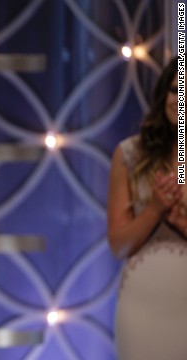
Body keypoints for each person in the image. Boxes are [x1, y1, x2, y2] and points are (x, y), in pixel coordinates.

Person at [107, 56, 187, 359]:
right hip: (141, 310)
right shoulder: (131, 154)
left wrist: (181, 223)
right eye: (175, 90)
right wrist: (154, 209)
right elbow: (118, 245)